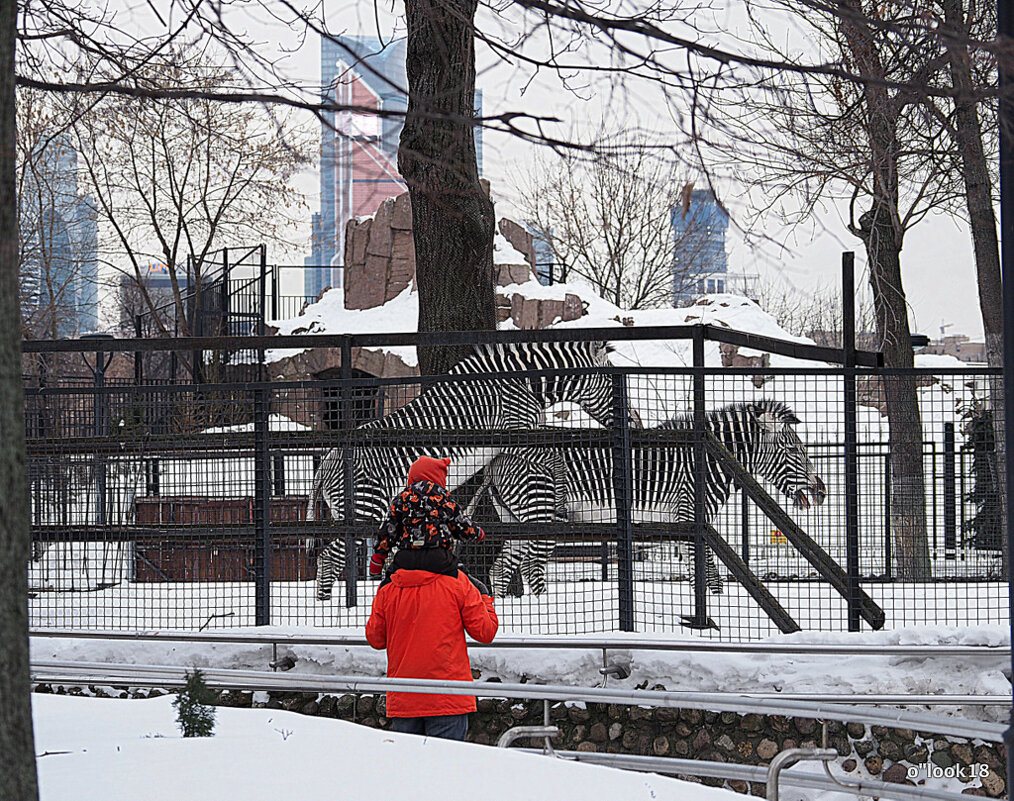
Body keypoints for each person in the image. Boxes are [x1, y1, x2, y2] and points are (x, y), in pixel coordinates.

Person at [365, 554, 498, 740]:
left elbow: (375, 639)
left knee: (408, 766)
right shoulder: (457, 581)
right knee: (446, 765)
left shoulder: (389, 587)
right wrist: (483, 596)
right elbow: (485, 632)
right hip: (449, 697)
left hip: (405, 697)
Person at [369, 455, 486, 582]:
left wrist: (378, 557)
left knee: (388, 585)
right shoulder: (443, 498)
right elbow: (460, 523)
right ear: (438, 477)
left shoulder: (401, 499)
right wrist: (476, 532)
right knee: (470, 584)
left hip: (407, 557)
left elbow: (388, 531)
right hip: (438, 557)